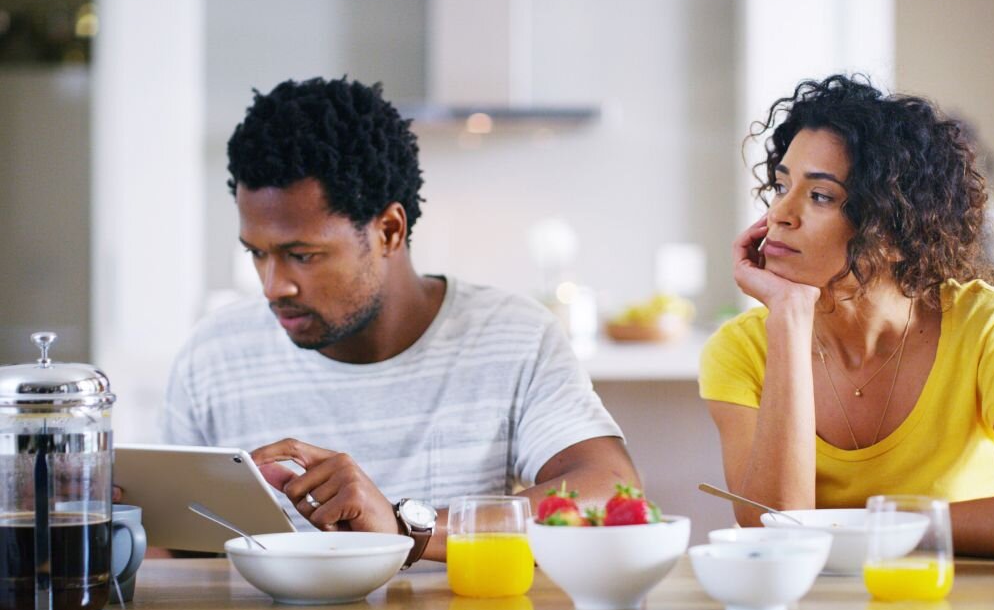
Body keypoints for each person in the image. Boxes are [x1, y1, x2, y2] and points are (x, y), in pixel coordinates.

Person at [160, 77, 639, 563]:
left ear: (389, 230)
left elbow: (612, 491)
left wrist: (408, 529)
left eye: (301, 255)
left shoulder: (512, 337)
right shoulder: (214, 354)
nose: (272, 286)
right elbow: (168, 549)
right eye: (257, 254)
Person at [698, 75, 994, 557]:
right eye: (780, 185)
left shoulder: (987, 324)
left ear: (895, 231)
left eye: (819, 196)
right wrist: (790, 318)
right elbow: (778, 535)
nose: (780, 215)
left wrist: (867, 526)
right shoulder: (741, 350)